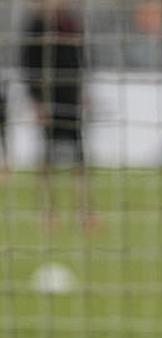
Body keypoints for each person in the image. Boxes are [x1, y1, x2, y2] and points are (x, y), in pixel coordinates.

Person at [20, 0, 93, 229]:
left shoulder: (71, 23)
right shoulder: (36, 26)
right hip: (48, 101)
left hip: (71, 99)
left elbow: (81, 59)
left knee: (79, 158)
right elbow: (28, 66)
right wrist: (36, 101)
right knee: (47, 158)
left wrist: (83, 92)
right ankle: (48, 211)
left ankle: (84, 211)